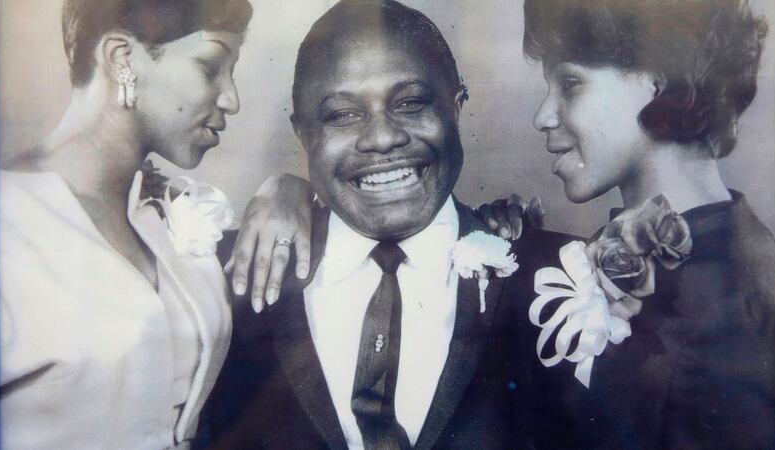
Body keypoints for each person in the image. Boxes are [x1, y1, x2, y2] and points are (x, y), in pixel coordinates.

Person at [198, 1, 570, 448]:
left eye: (410, 103)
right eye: (341, 114)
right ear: (302, 133)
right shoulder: (220, 281)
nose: (382, 137)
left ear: (456, 108)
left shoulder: (560, 282)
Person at [0, 1, 307, 447]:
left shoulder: (176, 214)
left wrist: (288, 189)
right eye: (211, 65)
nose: (231, 99)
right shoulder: (8, 225)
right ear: (122, 58)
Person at [505, 0, 775, 448]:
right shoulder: (727, 245)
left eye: (571, 84)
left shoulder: (723, 309)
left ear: (659, 83)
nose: (543, 116)